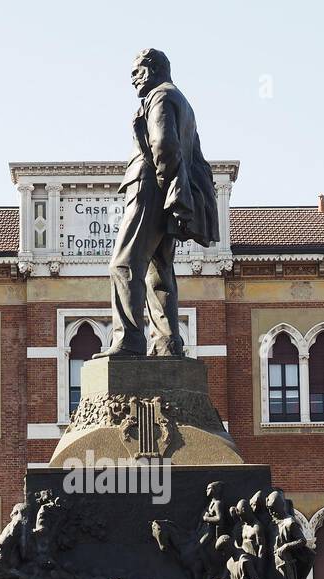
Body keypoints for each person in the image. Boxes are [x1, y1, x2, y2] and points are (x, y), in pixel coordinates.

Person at [104, 48, 218, 359]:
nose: (132, 78)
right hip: (165, 190)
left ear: (155, 69)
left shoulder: (160, 96)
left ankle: (128, 340)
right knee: (159, 270)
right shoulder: (183, 102)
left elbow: (164, 143)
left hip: (149, 185)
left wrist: (167, 188)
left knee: (123, 264)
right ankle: (167, 342)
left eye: (137, 71)